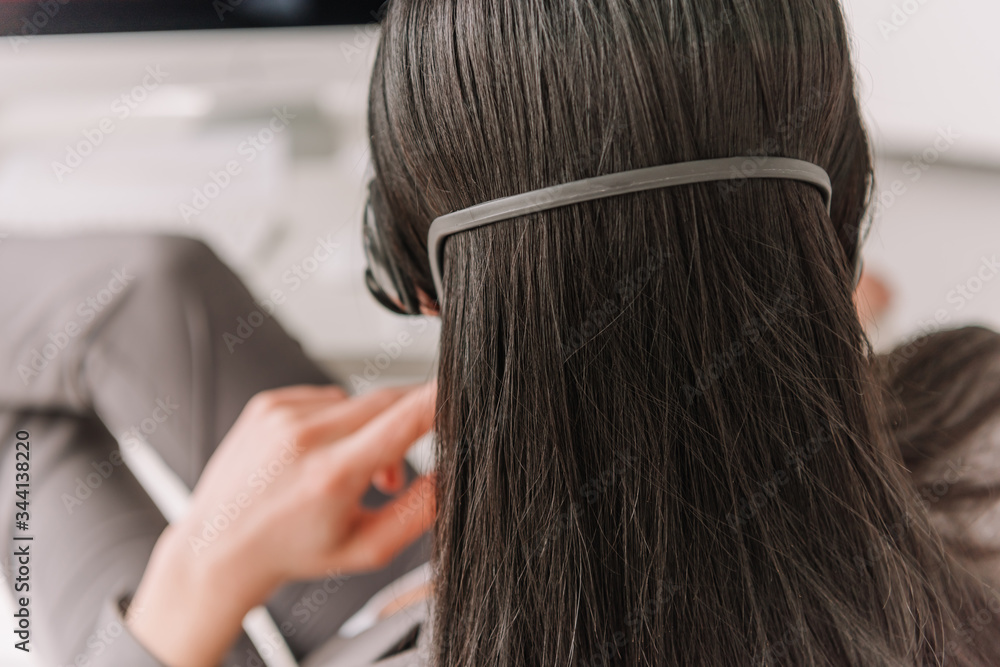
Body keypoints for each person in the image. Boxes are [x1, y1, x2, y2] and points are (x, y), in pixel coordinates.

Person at [5, 1, 1000, 666]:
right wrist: (776, 357)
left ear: (419, 288)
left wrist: (199, 575)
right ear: (836, 227)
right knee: (150, 279)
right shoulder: (972, 397)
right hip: (479, 555)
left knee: (21, 435)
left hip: (389, 619)